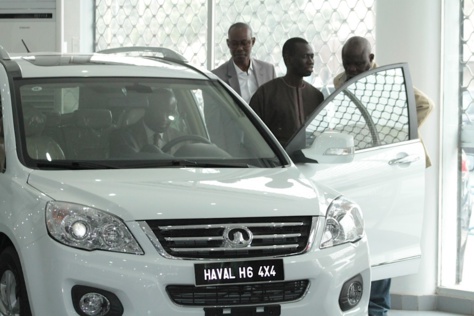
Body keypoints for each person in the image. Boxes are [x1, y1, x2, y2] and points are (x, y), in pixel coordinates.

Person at [333, 36, 434, 316]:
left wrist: (398, 135)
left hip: (393, 167)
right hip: (363, 167)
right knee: (363, 233)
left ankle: (378, 307)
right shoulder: (339, 82)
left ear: (371, 58)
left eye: (358, 63)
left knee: (385, 236)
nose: (353, 69)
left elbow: (426, 105)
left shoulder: (388, 80)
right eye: (348, 64)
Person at [249, 37, 324, 147]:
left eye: (312, 56)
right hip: (278, 161)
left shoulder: (316, 96)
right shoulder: (266, 93)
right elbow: (252, 135)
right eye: (305, 57)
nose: (311, 61)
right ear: (288, 59)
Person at [212, 22, 277, 103]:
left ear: (252, 42)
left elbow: (276, 105)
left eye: (244, 43)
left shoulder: (268, 70)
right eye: (235, 44)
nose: (240, 48)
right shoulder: (216, 77)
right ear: (228, 44)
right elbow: (213, 113)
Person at [110, 88, 179, 157]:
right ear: (148, 109)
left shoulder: (181, 139)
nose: (164, 118)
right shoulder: (122, 137)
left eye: (169, 113)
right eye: (158, 111)